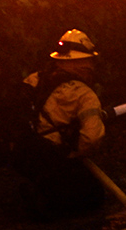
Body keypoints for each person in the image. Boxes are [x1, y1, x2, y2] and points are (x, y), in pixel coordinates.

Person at [11, 29, 110, 219]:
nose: (91, 66)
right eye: (89, 61)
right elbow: (92, 138)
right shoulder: (84, 94)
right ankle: (45, 204)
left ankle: (35, 188)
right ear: (79, 62)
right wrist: (72, 154)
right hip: (53, 159)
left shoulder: (33, 79)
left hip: (21, 152)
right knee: (94, 195)